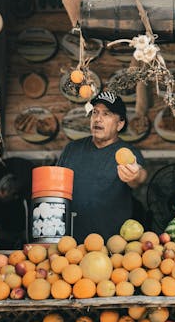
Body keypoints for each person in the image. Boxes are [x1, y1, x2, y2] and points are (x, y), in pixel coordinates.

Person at [57, 91, 147, 243]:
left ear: (120, 124)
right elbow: (56, 187)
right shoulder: (72, 149)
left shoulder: (128, 153)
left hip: (111, 244)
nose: (98, 119)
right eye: (95, 112)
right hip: (70, 242)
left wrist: (136, 175)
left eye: (106, 114)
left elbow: (139, 178)